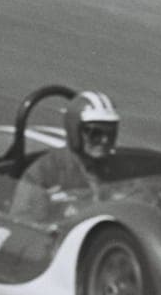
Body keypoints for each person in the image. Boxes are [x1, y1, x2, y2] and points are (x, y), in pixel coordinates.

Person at [10, 90, 120, 219]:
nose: (105, 140)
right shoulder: (44, 172)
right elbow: (23, 222)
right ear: (75, 132)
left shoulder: (123, 167)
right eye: (96, 133)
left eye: (111, 133)